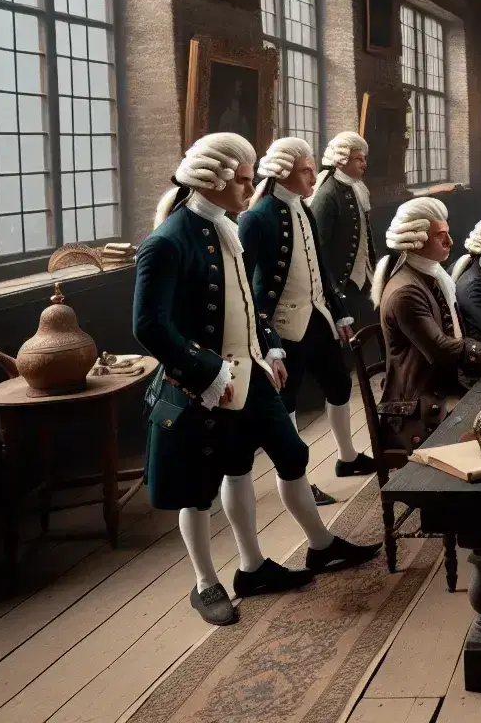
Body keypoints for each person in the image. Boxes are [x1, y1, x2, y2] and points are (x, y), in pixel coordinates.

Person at [135, 134, 375, 629]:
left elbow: (247, 299)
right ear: (214, 181)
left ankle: (315, 548)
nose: (251, 189)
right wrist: (207, 371)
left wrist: (270, 346)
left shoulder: (226, 224)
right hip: (199, 384)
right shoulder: (167, 242)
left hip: (252, 372)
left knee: (291, 453)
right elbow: (150, 326)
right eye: (243, 181)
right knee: (198, 488)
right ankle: (208, 583)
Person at [240, 138, 375, 508]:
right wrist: (264, 338)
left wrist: (338, 309)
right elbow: (244, 286)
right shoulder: (256, 218)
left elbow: (320, 268)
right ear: (283, 173)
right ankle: (297, 478)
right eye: (306, 169)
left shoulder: (304, 208)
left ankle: (347, 457)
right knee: (287, 401)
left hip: (318, 315)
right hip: (283, 325)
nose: (314, 175)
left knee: (339, 383)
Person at [375, 198, 481, 452]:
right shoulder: (406, 293)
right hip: (421, 409)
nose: (450, 242)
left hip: (444, 387)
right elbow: (442, 349)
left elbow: (455, 336)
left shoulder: (429, 277)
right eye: (440, 236)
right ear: (417, 240)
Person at [309, 132, 377, 327]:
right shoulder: (327, 193)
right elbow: (319, 248)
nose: (363, 163)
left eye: (364, 158)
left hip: (364, 278)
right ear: (342, 159)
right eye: (358, 158)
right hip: (341, 283)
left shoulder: (358, 188)